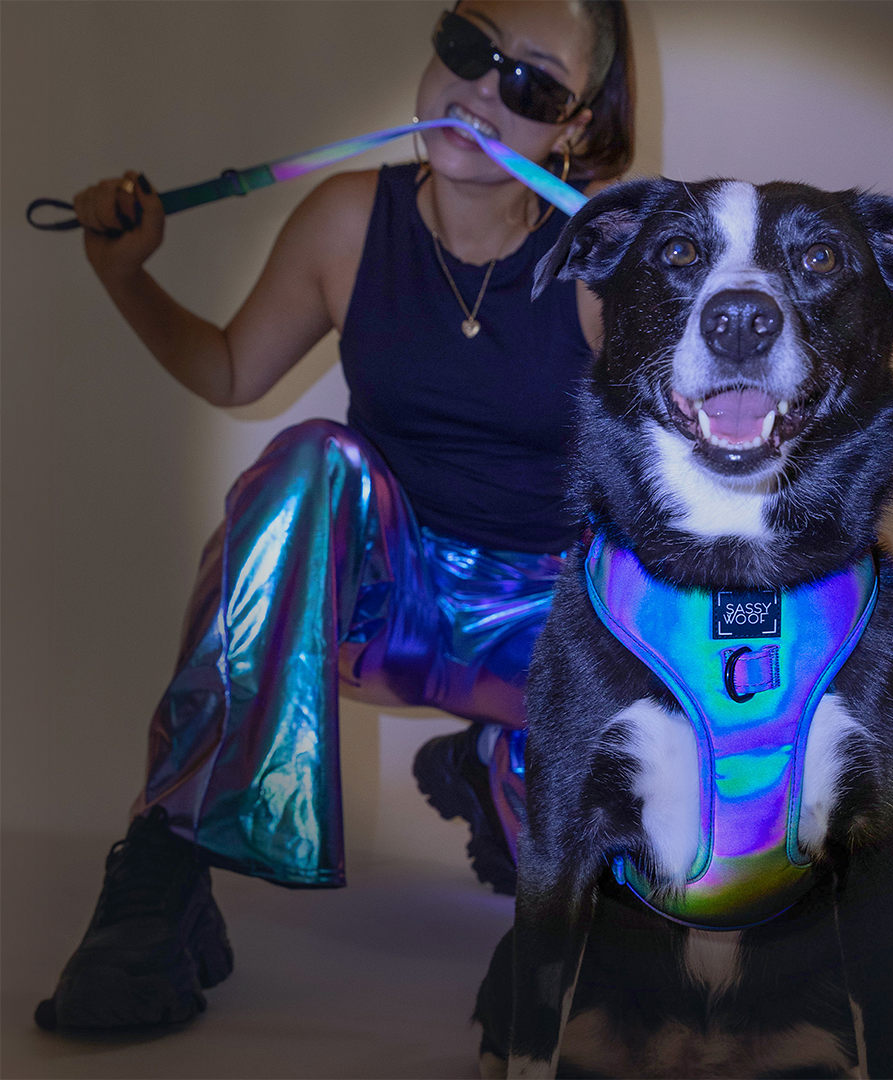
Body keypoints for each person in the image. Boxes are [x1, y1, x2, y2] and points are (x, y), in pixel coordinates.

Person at [36, 0, 635, 1031]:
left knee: (619, 925)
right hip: (377, 603)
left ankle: (500, 768)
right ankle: (165, 864)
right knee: (311, 460)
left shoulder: (601, 261)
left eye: (532, 83)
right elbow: (233, 371)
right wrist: (123, 276)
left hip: (540, 629)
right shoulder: (351, 222)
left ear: (575, 126)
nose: (482, 89)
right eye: (469, 47)